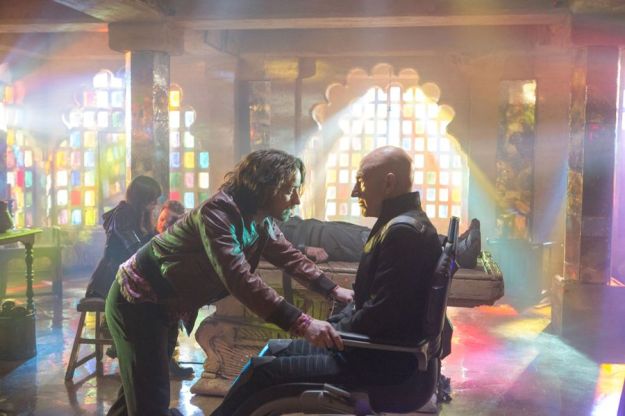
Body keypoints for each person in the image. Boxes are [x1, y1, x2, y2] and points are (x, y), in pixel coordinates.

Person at [105, 149, 354, 416]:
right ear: (264, 187)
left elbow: (288, 255)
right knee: (150, 400)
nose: (296, 199)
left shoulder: (259, 219)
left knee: (138, 392)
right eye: (289, 190)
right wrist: (302, 323)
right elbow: (240, 279)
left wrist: (332, 289)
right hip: (137, 300)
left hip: (162, 304)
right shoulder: (217, 213)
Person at [212, 146, 442, 415]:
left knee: (261, 372)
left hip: (377, 364)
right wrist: (328, 317)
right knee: (273, 349)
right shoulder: (403, 224)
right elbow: (377, 308)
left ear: (388, 183)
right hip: (369, 352)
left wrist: (331, 328)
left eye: (361, 181)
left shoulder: (402, 232)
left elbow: (380, 316)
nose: (355, 192)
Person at [85, 175, 161, 299]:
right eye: (152, 199)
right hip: (109, 283)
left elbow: (154, 242)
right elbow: (135, 249)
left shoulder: (142, 217)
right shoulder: (122, 216)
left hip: (125, 277)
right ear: (142, 198)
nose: (156, 203)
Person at [155, 199, 195, 379]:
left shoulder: (177, 243)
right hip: (145, 296)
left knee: (173, 313)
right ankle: (163, 363)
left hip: (162, 294)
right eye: (162, 219)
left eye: (169, 221)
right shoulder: (149, 240)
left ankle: (166, 361)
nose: (163, 224)